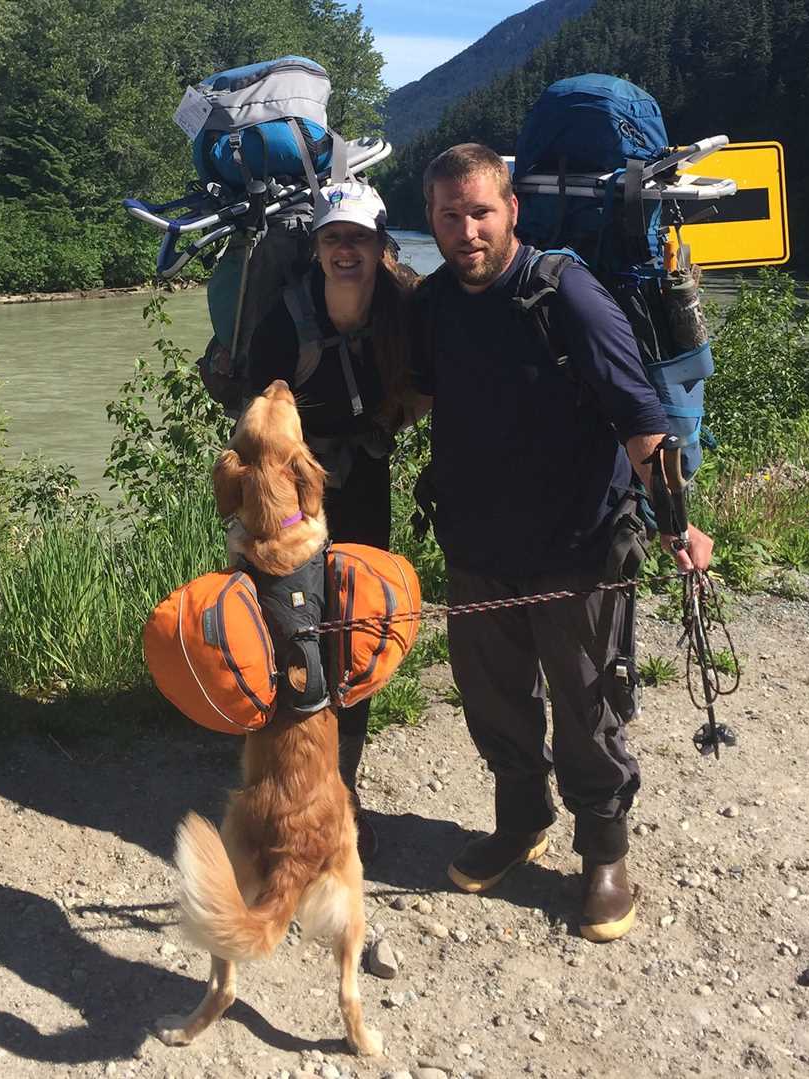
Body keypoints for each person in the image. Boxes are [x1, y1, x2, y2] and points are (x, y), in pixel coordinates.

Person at [411, 143, 714, 942]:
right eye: (450, 215)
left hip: (579, 547)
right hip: (478, 544)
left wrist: (679, 522)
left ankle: (604, 854)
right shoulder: (434, 303)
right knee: (493, 700)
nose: (467, 230)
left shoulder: (566, 296)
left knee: (588, 707)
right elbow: (410, 399)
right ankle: (521, 819)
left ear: (512, 209)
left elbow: (641, 419)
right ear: (432, 222)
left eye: (480, 211)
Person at [247, 180, 418, 862]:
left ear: (381, 245)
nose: (346, 250)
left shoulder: (405, 306)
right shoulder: (282, 320)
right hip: (290, 498)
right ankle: (288, 788)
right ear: (316, 248)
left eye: (359, 238)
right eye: (332, 238)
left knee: (355, 629)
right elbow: (252, 425)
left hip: (364, 483)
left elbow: (435, 377)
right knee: (289, 637)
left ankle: (340, 790)